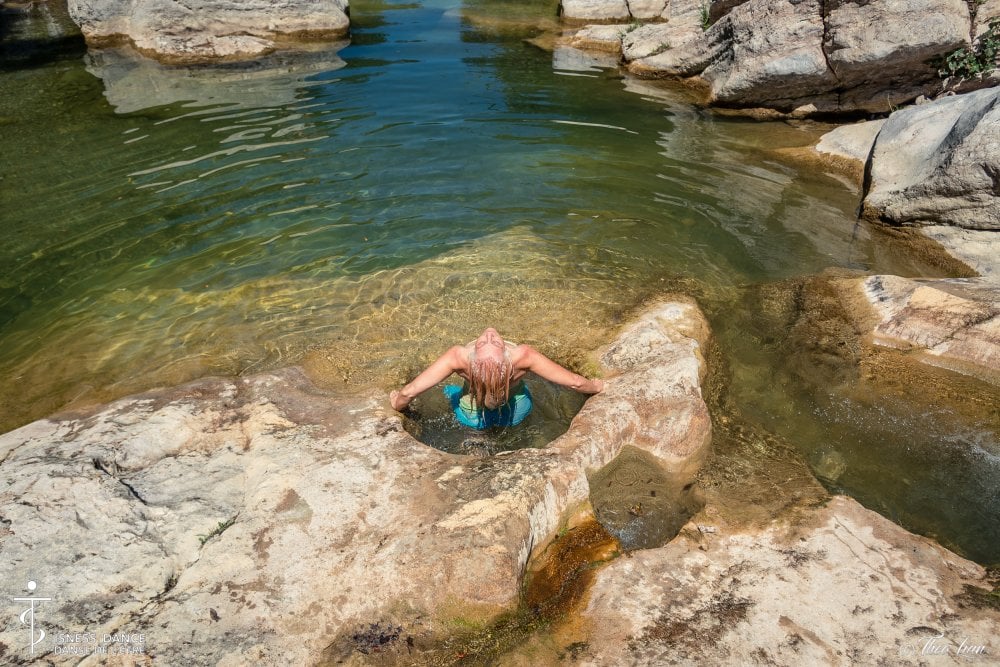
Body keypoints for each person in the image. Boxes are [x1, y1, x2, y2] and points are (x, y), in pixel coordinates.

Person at [389, 327, 604, 429]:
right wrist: (597, 386)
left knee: (450, 393)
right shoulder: (523, 356)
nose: (489, 334)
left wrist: (397, 402)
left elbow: (410, 392)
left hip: (471, 412)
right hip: (516, 408)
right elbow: (575, 382)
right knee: (516, 429)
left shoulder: (459, 358)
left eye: (488, 342)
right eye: (486, 343)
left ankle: (476, 442)